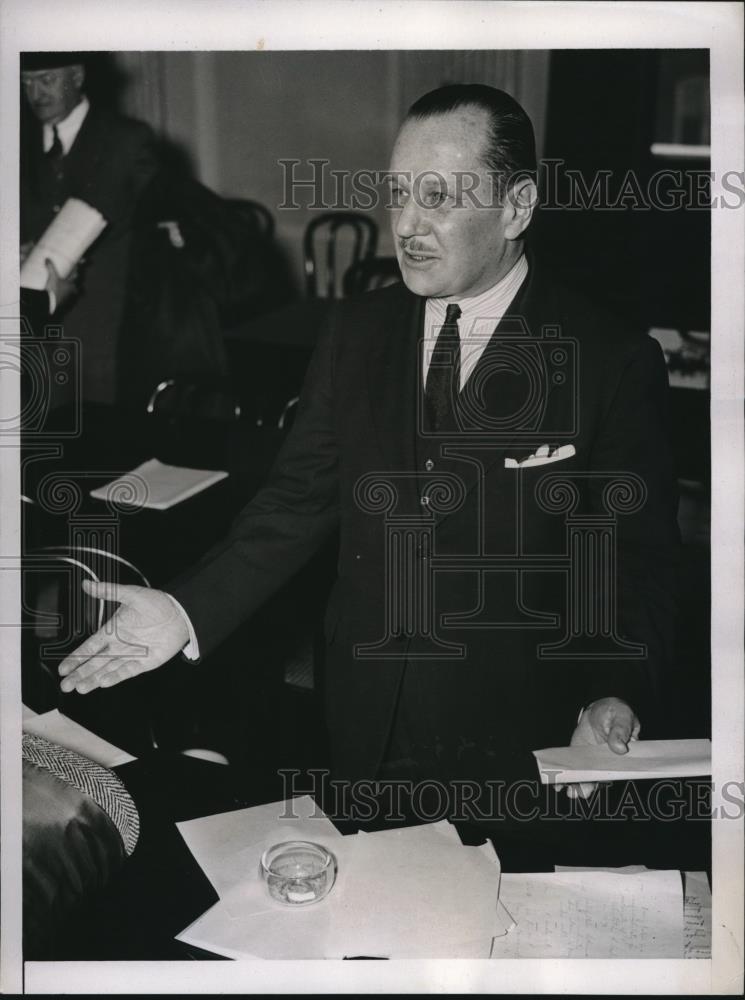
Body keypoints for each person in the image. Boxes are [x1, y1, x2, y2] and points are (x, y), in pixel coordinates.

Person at [58, 85, 679, 814]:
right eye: (399, 194)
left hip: (516, 731)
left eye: (439, 197)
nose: (408, 225)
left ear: (515, 207)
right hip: (359, 716)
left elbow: (633, 561)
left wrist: (615, 687)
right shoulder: (356, 332)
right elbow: (296, 502)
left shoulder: (608, 358)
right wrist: (186, 610)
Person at [20, 52, 158, 405]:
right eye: (27, 82)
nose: (36, 93)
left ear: (77, 76)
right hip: (33, 337)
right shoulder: (14, 142)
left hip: (106, 330)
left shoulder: (127, 140)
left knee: (105, 445)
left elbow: (153, 228)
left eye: (47, 79)